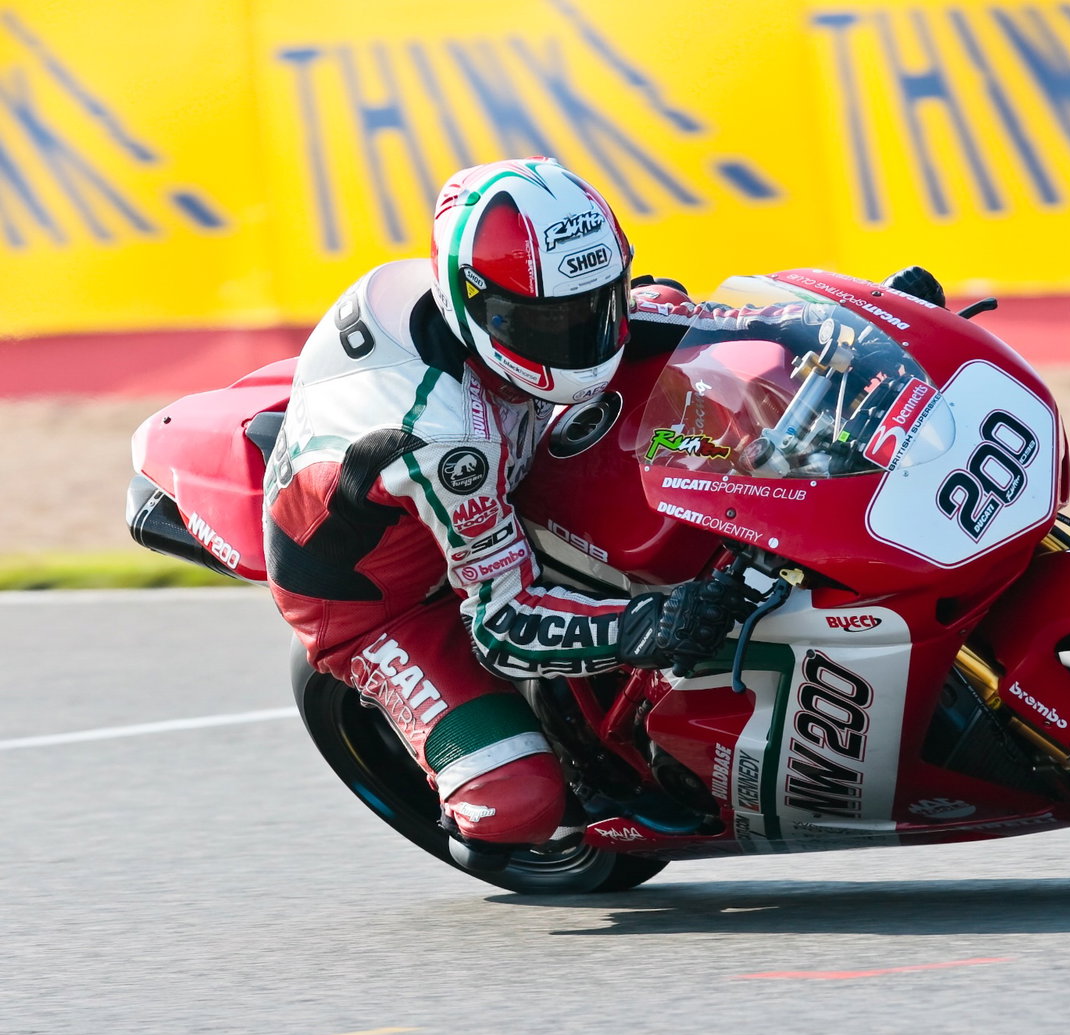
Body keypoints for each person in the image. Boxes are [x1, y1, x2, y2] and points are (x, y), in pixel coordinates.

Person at [263, 156, 942, 863]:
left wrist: (870, 324)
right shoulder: (440, 443)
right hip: (383, 596)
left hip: (498, 463)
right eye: (550, 324)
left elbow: (700, 316)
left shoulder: (500, 315)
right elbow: (505, 624)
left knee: (702, 386)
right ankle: (538, 767)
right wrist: (654, 623)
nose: (586, 339)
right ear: (473, 302)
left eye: (598, 305)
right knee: (514, 810)